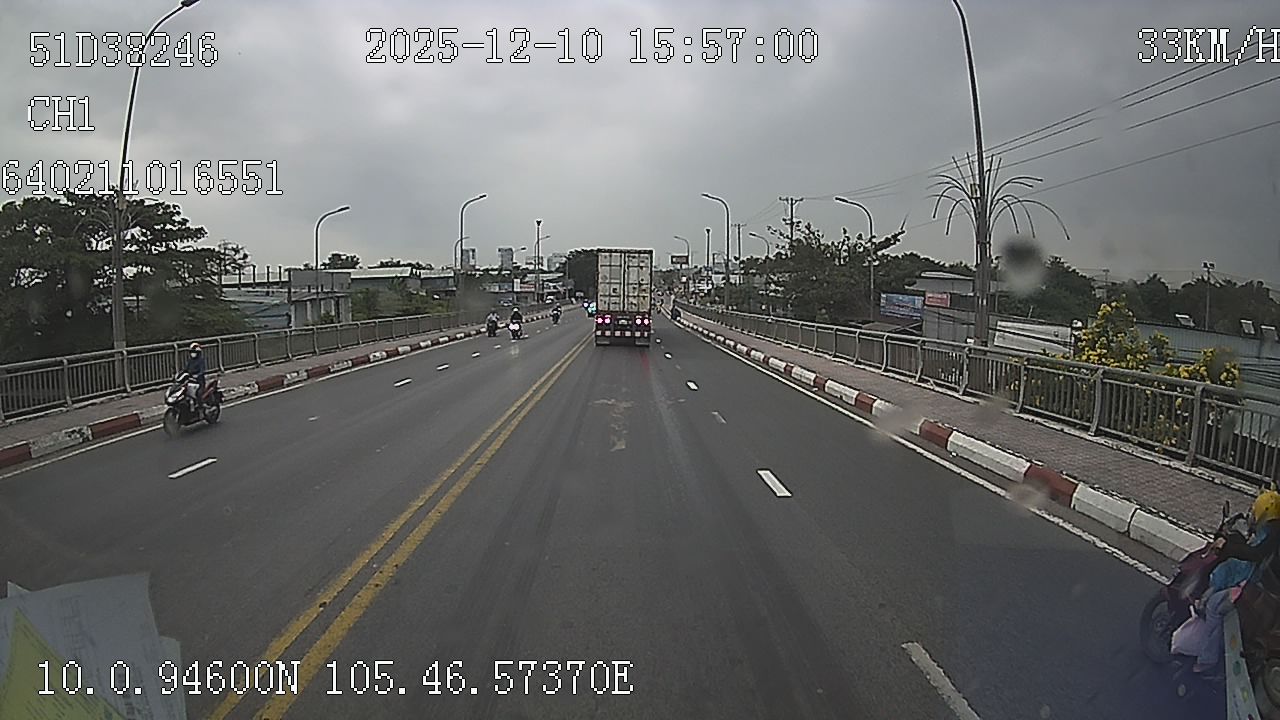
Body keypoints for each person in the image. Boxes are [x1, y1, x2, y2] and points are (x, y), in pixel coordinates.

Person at [1195, 489, 1280, 675]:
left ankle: (1208, 660)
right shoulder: (1269, 529)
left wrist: (1228, 547)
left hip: (1257, 587)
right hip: (1261, 583)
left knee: (1214, 606)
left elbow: (1255, 554)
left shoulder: (1272, 534)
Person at [185, 342, 207, 408]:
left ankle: (201, 407)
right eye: (191, 352)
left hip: (199, 382)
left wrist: (197, 375)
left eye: (194, 352)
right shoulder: (190, 361)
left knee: (199, 393)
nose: (192, 354)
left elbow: (202, 370)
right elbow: (186, 369)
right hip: (190, 381)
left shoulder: (201, 360)